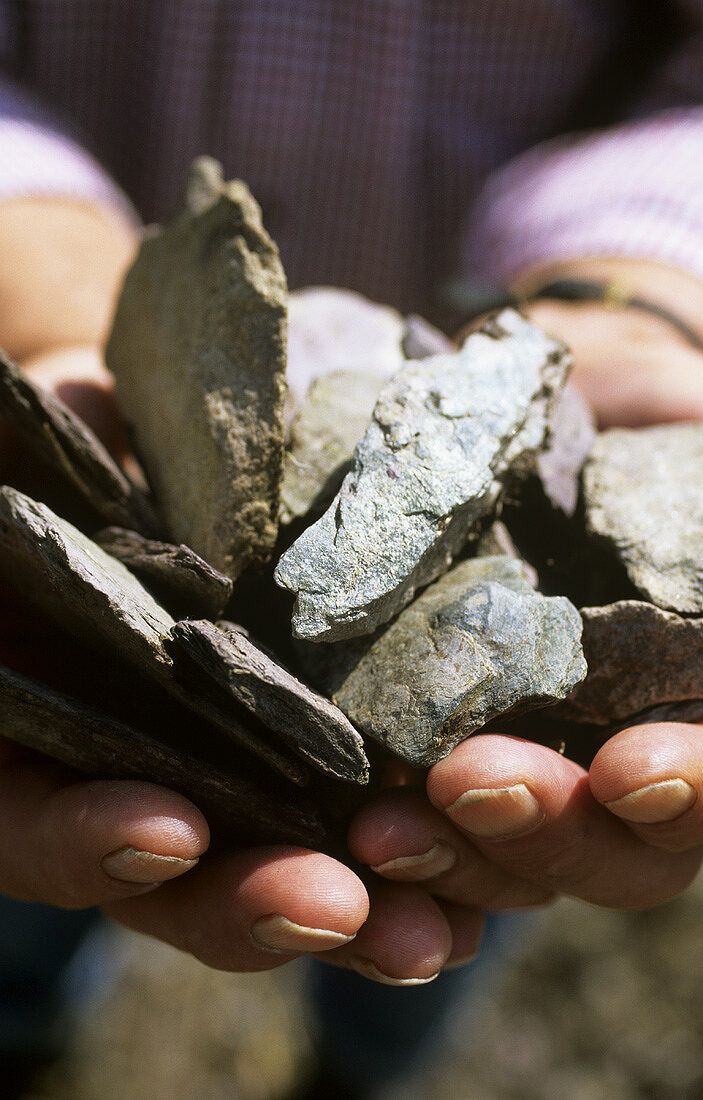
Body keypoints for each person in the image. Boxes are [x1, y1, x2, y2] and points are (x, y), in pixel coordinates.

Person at [2, 2, 703, 1094]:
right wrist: (37, 279)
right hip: (88, 396)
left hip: (502, 348)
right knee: (54, 843)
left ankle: (362, 1071)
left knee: (465, 850)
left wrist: (635, 292)